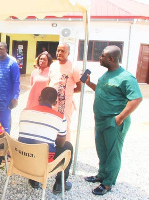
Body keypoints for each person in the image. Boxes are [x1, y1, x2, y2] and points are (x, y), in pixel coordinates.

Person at [84, 45, 142, 195]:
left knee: (112, 153)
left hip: (114, 122)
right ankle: (102, 175)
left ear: (111, 59)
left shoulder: (126, 77)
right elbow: (103, 90)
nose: (100, 57)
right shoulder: (106, 74)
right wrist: (89, 83)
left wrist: (120, 118)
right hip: (101, 121)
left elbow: (136, 98)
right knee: (102, 150)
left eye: (102, 56)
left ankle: (108, 183)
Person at [18, 87, 73, 193]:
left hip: (21, 159)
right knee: (68, 147)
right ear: (55, 102)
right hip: (42, 163)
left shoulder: (24, 112)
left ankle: (34, 180)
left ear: (39, 98)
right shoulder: (60, 117)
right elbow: (61, 144)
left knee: (34, 143)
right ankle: (59, 184)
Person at [48, 43, 81, 141]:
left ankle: (65, 149)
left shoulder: (73, 67)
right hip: (51, 102)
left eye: (63, 51)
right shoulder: (53, 65)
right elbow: (49, 82)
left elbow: (79, 87)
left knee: (64, 126)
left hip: (64, 104)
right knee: (51, 125)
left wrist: (65, 93)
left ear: (68, 53)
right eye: (58, 50)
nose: (59, 53)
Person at [0, 42, 20, 134]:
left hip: (6, 102)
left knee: (4, 127)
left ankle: (5, 147)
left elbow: (16, 82)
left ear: (6, 50)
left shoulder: (12, 65)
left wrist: (15, 97)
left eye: (1, 48)